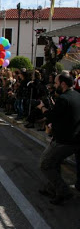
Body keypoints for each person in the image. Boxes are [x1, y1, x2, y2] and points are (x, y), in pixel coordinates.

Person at [37, 72, 80, 205]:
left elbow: (51, 116)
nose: (54, 86)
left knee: (45, 164)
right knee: (54, 163)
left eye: (56, 83)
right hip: (74, 138)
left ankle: (63, 191)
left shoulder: (64, 99)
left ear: (63, 84)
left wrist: (42, 107)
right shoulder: (77, 95)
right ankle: (52, 188)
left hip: (64, 140)